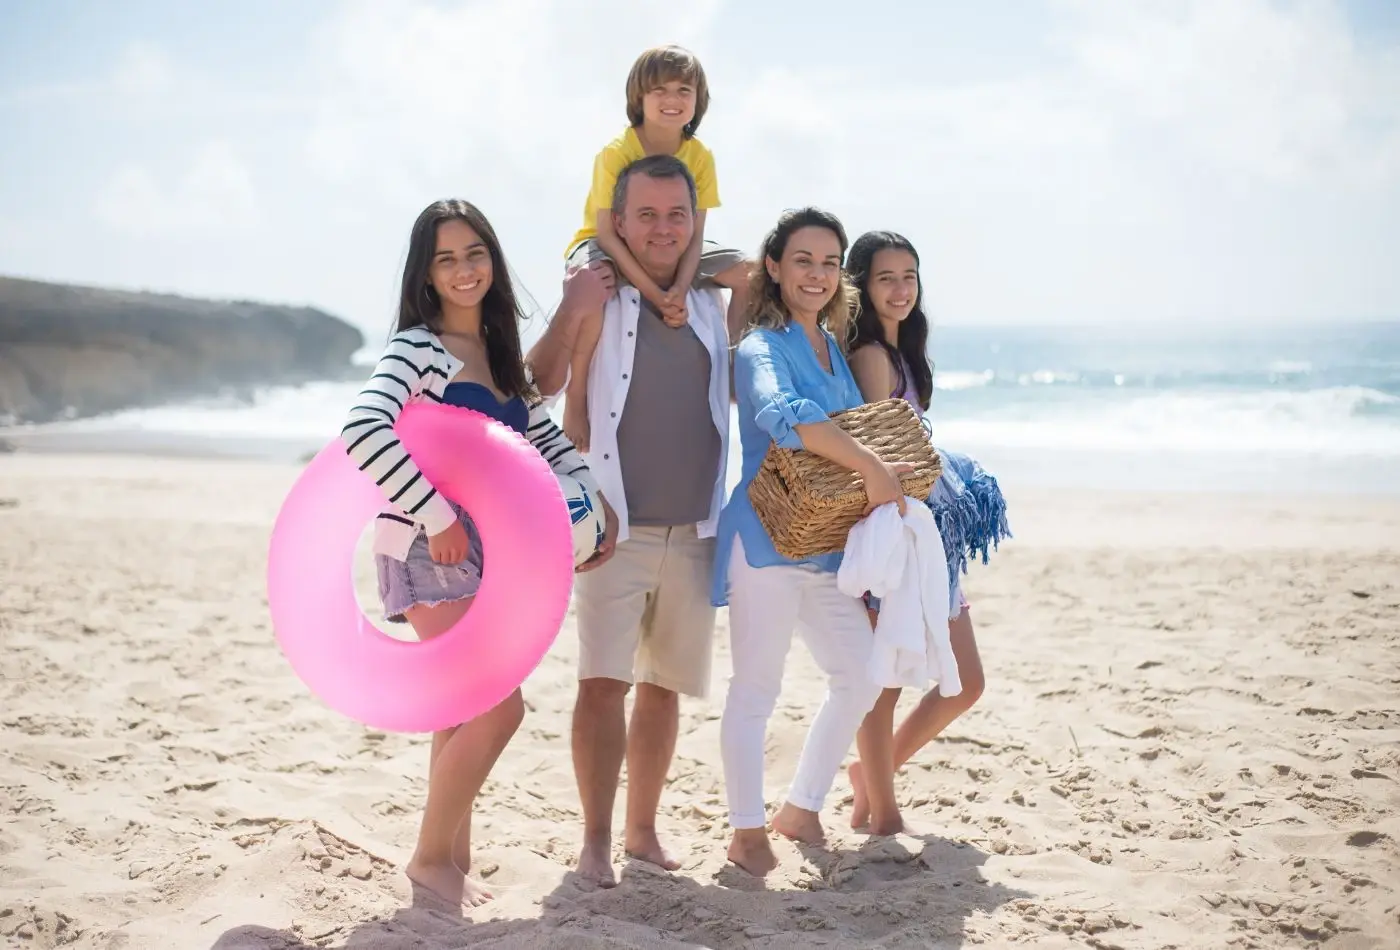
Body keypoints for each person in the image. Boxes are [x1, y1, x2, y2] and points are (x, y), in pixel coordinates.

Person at [340, 199, 614, 907]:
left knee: (461, 709)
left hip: (489, 550)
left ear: (492, 260)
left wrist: (593, 506)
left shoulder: (499, 353)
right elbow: (364, 429)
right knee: (498, 707)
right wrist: (434, 515)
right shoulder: (418, 348)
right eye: (446, 259)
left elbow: (542, 439)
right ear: (426, 275)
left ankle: (448, 867)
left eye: (475, 253)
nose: (464, 270)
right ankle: (431, 858)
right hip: (426, 547)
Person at [526, 154, 733, 887]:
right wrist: (572, 301)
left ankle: (642, 832)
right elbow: (539, 383)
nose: (663, 229)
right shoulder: (601, 293)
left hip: (696, 527)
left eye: (677, 214)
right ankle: (594, 839)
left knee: (664, 686)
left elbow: (757, 285)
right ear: (617, 222)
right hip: (613, 526)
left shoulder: (708, 301)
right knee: (602, 682)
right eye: (646, 214)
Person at [711, 207, 913, 877]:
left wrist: (887, 467)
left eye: (829, 263)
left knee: (861, 674)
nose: (817, 275)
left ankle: (800, 808)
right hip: (766, 542)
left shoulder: (831, 346)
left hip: (825, 544)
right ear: (774, 267)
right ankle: (746, 832)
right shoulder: (762, 345)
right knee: (756, 689)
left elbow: (854, 425)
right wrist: (870, 465)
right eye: (803, 260)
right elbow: (785, 417)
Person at [842, 230, 991, 835]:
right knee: (883, 686)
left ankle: (870, 777)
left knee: (966, 683)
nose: (901, 289)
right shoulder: (871, 356)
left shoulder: (902, 353)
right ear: (861, 285)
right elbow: (878, 453)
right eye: (886, 278)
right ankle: (884, 813)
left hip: (926, 541)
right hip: (895, 540)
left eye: (909, 277)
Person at [559, 44, 750, 453]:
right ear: (639, 97)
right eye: (660, 90)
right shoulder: (616, 153)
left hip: (673, 242)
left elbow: (695, 234)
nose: (672, 100)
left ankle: (732, 366)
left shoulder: (700, 156)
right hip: (606, 241)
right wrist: (657, 295)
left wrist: (679, 288)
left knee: (748, 273)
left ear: (698, 100)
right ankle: (576, 397)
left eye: (684, 90)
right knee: (592, 283)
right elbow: (607, 232)